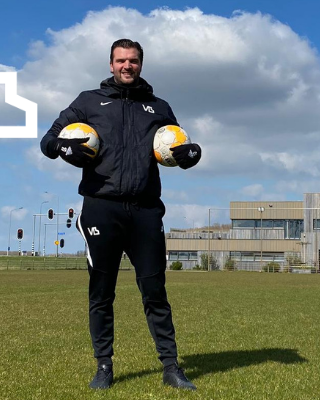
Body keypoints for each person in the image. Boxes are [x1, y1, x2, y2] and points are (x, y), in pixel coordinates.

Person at [40, 39, 201, 391]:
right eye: (121, 60)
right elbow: (48, 141)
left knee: (155, 290)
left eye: (133, 60)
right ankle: (103, 366)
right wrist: (63, 146)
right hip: (102, 208)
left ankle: (171, 367)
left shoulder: (159, 107)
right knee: (101, 292)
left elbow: (176, 146)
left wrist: (190, 154)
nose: (127, 65)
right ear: (111, 64)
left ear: (141, 64)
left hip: (145, 210)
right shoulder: (88, 101)